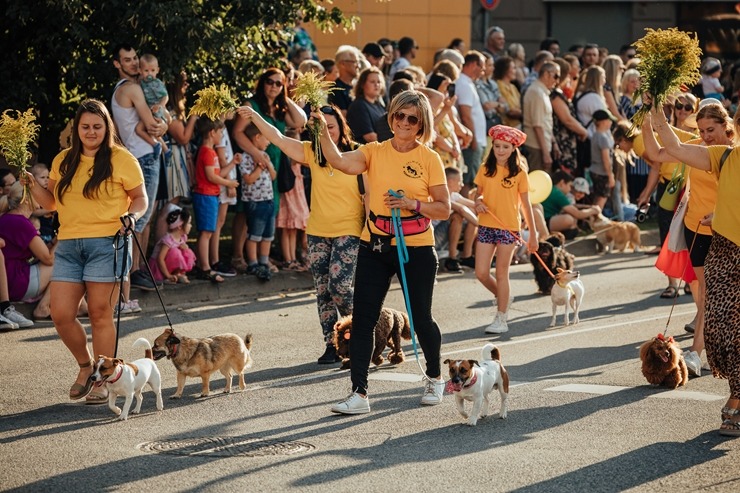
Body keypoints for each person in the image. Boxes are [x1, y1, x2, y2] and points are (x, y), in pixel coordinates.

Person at [315, 90, 451, 414]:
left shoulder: (429, 158)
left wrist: (411, 204)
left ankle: (434, 376)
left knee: (420, 319)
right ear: (391, 117)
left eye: (412, 118)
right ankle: (359, 394)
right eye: (399, 115)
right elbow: (338, 161)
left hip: (416, 245)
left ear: (421, 124)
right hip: (375, 241)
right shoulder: (373, 151)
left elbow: (444, 209)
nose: (403, 122)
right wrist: (321, 129)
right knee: (363, 319)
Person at [24, 99, 148, 403]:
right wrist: (30, 184)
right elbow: (51, 202)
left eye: (97, 126)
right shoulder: (63, 160)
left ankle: (103, 382)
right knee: (60, 313)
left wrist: (132, 216)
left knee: (99, 312)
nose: (91, 132)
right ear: (76, 129)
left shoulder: (122, 159)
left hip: (109, 242)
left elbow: (140, 198)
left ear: (107, 127)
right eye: (85, 127)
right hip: (68, 244)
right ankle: (86, 367)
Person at [238, 104, 365, 364]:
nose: (327, 132)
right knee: (323, 291)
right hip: (318, 230)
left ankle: (361, 333)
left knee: (339, 286)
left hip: (349, 229)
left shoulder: (357, 154)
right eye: (321, 128)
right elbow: (278, 137)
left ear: (341, 128)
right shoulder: (311, 152)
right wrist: (255, 116)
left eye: (331, 127)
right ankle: (332, 344)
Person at [648, 103, 740, 437]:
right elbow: (672, 147)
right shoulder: (725, 157)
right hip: (725, 251)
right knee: (717, 327)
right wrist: (655, 106)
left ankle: (737, 397)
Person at [111, 44, 168, 294]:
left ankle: (136, 271)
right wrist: (163, 124)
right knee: (142, 216)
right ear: (117, 64)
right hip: (144, 156)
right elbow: (153, 124)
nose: (134, 63)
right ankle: (135, 271)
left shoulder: (118, 91)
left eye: (135, 58)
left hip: (137, 156)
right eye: (127, 60)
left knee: (140, 215)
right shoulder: (132, 88)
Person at [472, 125, 538, 334]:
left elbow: (526, 205)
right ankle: (504, 298)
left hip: (508, 228)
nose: (500, 150)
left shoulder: (520, 173)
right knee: (481, 273)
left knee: (502, 273)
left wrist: (534, 235)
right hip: (486, 224)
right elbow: (478, 194)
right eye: (497, 146)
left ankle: (501, 318)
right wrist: (478, 202)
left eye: (505, 147)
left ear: (513, 149)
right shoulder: (485, 168)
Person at [191, 117, 239, 283]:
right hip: (205, 195)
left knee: (208, 232)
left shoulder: (209, 152)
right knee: (206, 232)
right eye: (220, 132)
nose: (221, 135)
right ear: (212, 133)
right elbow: (212, 177)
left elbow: (217, 174)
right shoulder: (207, 152)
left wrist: (232, 163)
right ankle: (204, 267)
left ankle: (203, 265)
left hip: (211, 195)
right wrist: (229, 183)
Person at [238, 123, 277, 281]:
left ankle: (264, 261)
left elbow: (273, 176)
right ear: (257, 137)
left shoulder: (265, 156)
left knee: (268, 234)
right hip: (255, 201)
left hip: (269, 200)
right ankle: (253, 263)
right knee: (254, 233)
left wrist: (267, 165)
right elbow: (248, 180)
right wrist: (260, 168)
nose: (268, 142)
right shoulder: (246, 157)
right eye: (266, 138)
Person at [0, 181, 41, 327]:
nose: (41, 196)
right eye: (38, 193)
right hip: (16, 281)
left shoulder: (9, 218)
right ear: (27, 199)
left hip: (11, 277)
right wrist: (61, 239)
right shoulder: (20, 221)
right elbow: (48, 258)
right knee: (59, 263)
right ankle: (43, 308)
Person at [276, 128, 310, 271]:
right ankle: (288, 258)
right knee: (287, 227)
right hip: (290, 195)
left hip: (297, 194)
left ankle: (293, 258)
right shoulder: (291, 157)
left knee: (293, 229)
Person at [211, 113, 241, 278]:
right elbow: (222, 158)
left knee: (219, 222)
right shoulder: (219, 128)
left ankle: (215, 259)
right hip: (224, 179)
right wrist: (229, 182)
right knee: (219, 222)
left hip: (226, 177)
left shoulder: (223, 129)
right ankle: (214, 259)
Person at [550, 58, 589, 176]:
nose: (569, 78)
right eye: (567, 75)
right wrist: (584, 132)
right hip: (562, 143)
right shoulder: (555, 95)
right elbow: (567, 120)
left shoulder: (559, 93)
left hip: (568, 141)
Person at [165, 70, 198, 203]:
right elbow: (183, 138)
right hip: (173, 159)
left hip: (179, 157)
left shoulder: (176, 110)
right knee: (173, 200)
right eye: (184, 82)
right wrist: (193, 117)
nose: (187, 85)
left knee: (176, 201)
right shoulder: (171, 112)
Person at [456, 51, 487, 192]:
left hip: (477, 140)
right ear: (474, 64)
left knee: (472, 181)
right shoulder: (463, 83)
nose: (483, 71)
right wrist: (473, 139)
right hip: (472, 142)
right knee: (468, 182)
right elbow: (466, 115)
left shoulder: (468, 83)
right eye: (482, 67)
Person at [522, 61, 559, 173]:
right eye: (556, 76)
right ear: (547, 74)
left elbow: (546, 122)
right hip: (536, 147)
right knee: (537, 185)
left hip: (542, 146)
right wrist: (545, 153)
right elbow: (537, 125)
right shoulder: (536, 92)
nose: (557, 81)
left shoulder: (542, 92)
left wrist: (554, 144)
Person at [541, 170, 601, 239]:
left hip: (545, 219)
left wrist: (589, 207)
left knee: (571, 223)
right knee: (569, 219)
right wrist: (593, 210)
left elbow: (573, 207)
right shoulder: (558, 194)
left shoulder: (552, 190)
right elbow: (578, 214)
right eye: (570, 186)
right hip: (545, 221)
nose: (570, 189)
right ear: (562, 183)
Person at [439, 166, 477, 272]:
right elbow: (461, 209)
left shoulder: (455, 195)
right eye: (460, 181)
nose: (462, 185)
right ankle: (452, 258)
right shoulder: (440, 194)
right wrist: (483, 226)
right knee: (457, 216)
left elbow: (475, 205)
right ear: (450, 182)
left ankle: (467, 256)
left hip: (445, 234)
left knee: (472, 213)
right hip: (435, 236)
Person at [134, 54, 170, 157]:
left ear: (157, 70)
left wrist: (160, 106)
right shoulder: (141, 83)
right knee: (151, 130)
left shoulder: (157, 83)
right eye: (146, 71)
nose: (150, 74)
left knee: (139, 129)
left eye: (152, 71)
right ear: (140, 70)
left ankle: (156, 145)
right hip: (149, 110)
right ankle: (166, 150)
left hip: (155, 110)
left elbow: (165, 96)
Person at [148, 207, 195, 284]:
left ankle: (178, 274)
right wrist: (168, 275)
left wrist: (185, 248)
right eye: (189, 223)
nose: (191, 226)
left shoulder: (183, 237)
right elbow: (160, 259)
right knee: (175, 252)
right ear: (180, 226)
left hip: (169, 265)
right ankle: (168, 276)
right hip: (159, 268)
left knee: (187, 251)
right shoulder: (168, 240)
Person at [346, 67, 386, 144]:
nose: (376, 85)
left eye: (379, 82)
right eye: (372, 82)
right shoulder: (358, 106)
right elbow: (369, 137)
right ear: (362, 84)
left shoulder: (380, 106)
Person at [588, 109, 618, 210]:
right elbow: (606, 159)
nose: (611, 123)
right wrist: (610, 175)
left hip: (594, 170)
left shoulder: (595, 136)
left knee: (597, 197)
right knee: (602, 198)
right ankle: (595, 220)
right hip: (602, 173)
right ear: (603, 122)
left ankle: (592, 219)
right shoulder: (603, 138)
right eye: (609, 120)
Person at [29, 163, 57, 245]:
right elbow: (34, 212)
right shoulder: (33, 193)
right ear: (33, 178)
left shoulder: (49, 191)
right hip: (39, 228)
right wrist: (52, 208)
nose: (46, 180)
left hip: (50, 228)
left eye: (48, 177)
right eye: (42, 177)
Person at [329, 46, 361, 115]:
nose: (358, 66)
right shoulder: (336, 89)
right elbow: (343, 116)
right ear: (343, 64)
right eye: (355, 62)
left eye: (359, 62)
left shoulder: (359, 86)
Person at [493, 56, 523, 129]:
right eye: (513, 68)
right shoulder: (498, 85)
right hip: (506, 127)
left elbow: (520, 106)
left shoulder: (513, 87)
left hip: (518, 125)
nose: (515, 71)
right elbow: (510, 111)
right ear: (505, 70)